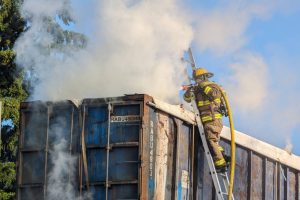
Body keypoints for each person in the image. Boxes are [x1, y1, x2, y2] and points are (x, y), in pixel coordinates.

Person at [183, 67, 228, 171]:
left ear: (204, 77)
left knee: (211, 140)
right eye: (196, 79)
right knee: (212, 142)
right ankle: (223, 156)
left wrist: (203, 86)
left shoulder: (213, 87)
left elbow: (215, 96)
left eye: (199, 79)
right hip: (206, 120)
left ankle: (221, 165)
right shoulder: (198, 89)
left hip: (213, 119)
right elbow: (187, 99)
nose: (197, 81)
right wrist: (190, 90)